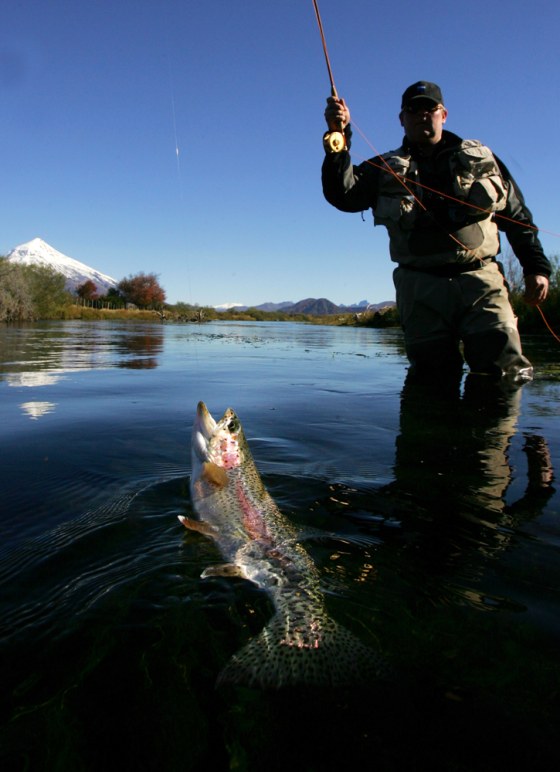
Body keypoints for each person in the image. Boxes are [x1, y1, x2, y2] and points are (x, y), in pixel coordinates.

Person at [322, 81, 551, 381]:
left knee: (505, 375)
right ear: (401, 119)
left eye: (429, 108)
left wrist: (536, 267)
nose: (421, 115)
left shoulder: (483, 159)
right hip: (420, 289)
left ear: (443, 114)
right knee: (431, 380)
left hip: (482, 282)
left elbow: (518, 217)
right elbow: (342, 195)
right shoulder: (383, 168)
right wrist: (339, 134)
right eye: (413, 109)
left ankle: (499, 430)